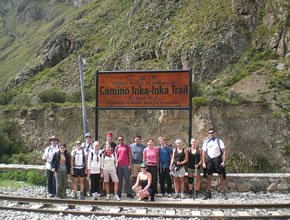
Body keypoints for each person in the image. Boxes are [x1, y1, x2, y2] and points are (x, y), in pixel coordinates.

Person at [202, 128, 227, 200]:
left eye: (212, 132)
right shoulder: (206, 142)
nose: (211, 134)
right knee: (209, 177)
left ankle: (223, 191)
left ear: (215, 133)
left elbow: (224, 151)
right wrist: (203, 162)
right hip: (209, 160)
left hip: (217, 159)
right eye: (209, 133)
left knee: (221, 176)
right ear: (208, 134)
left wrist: (223, 161)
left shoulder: (219, 141)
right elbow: (204, 152)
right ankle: (208, 192)